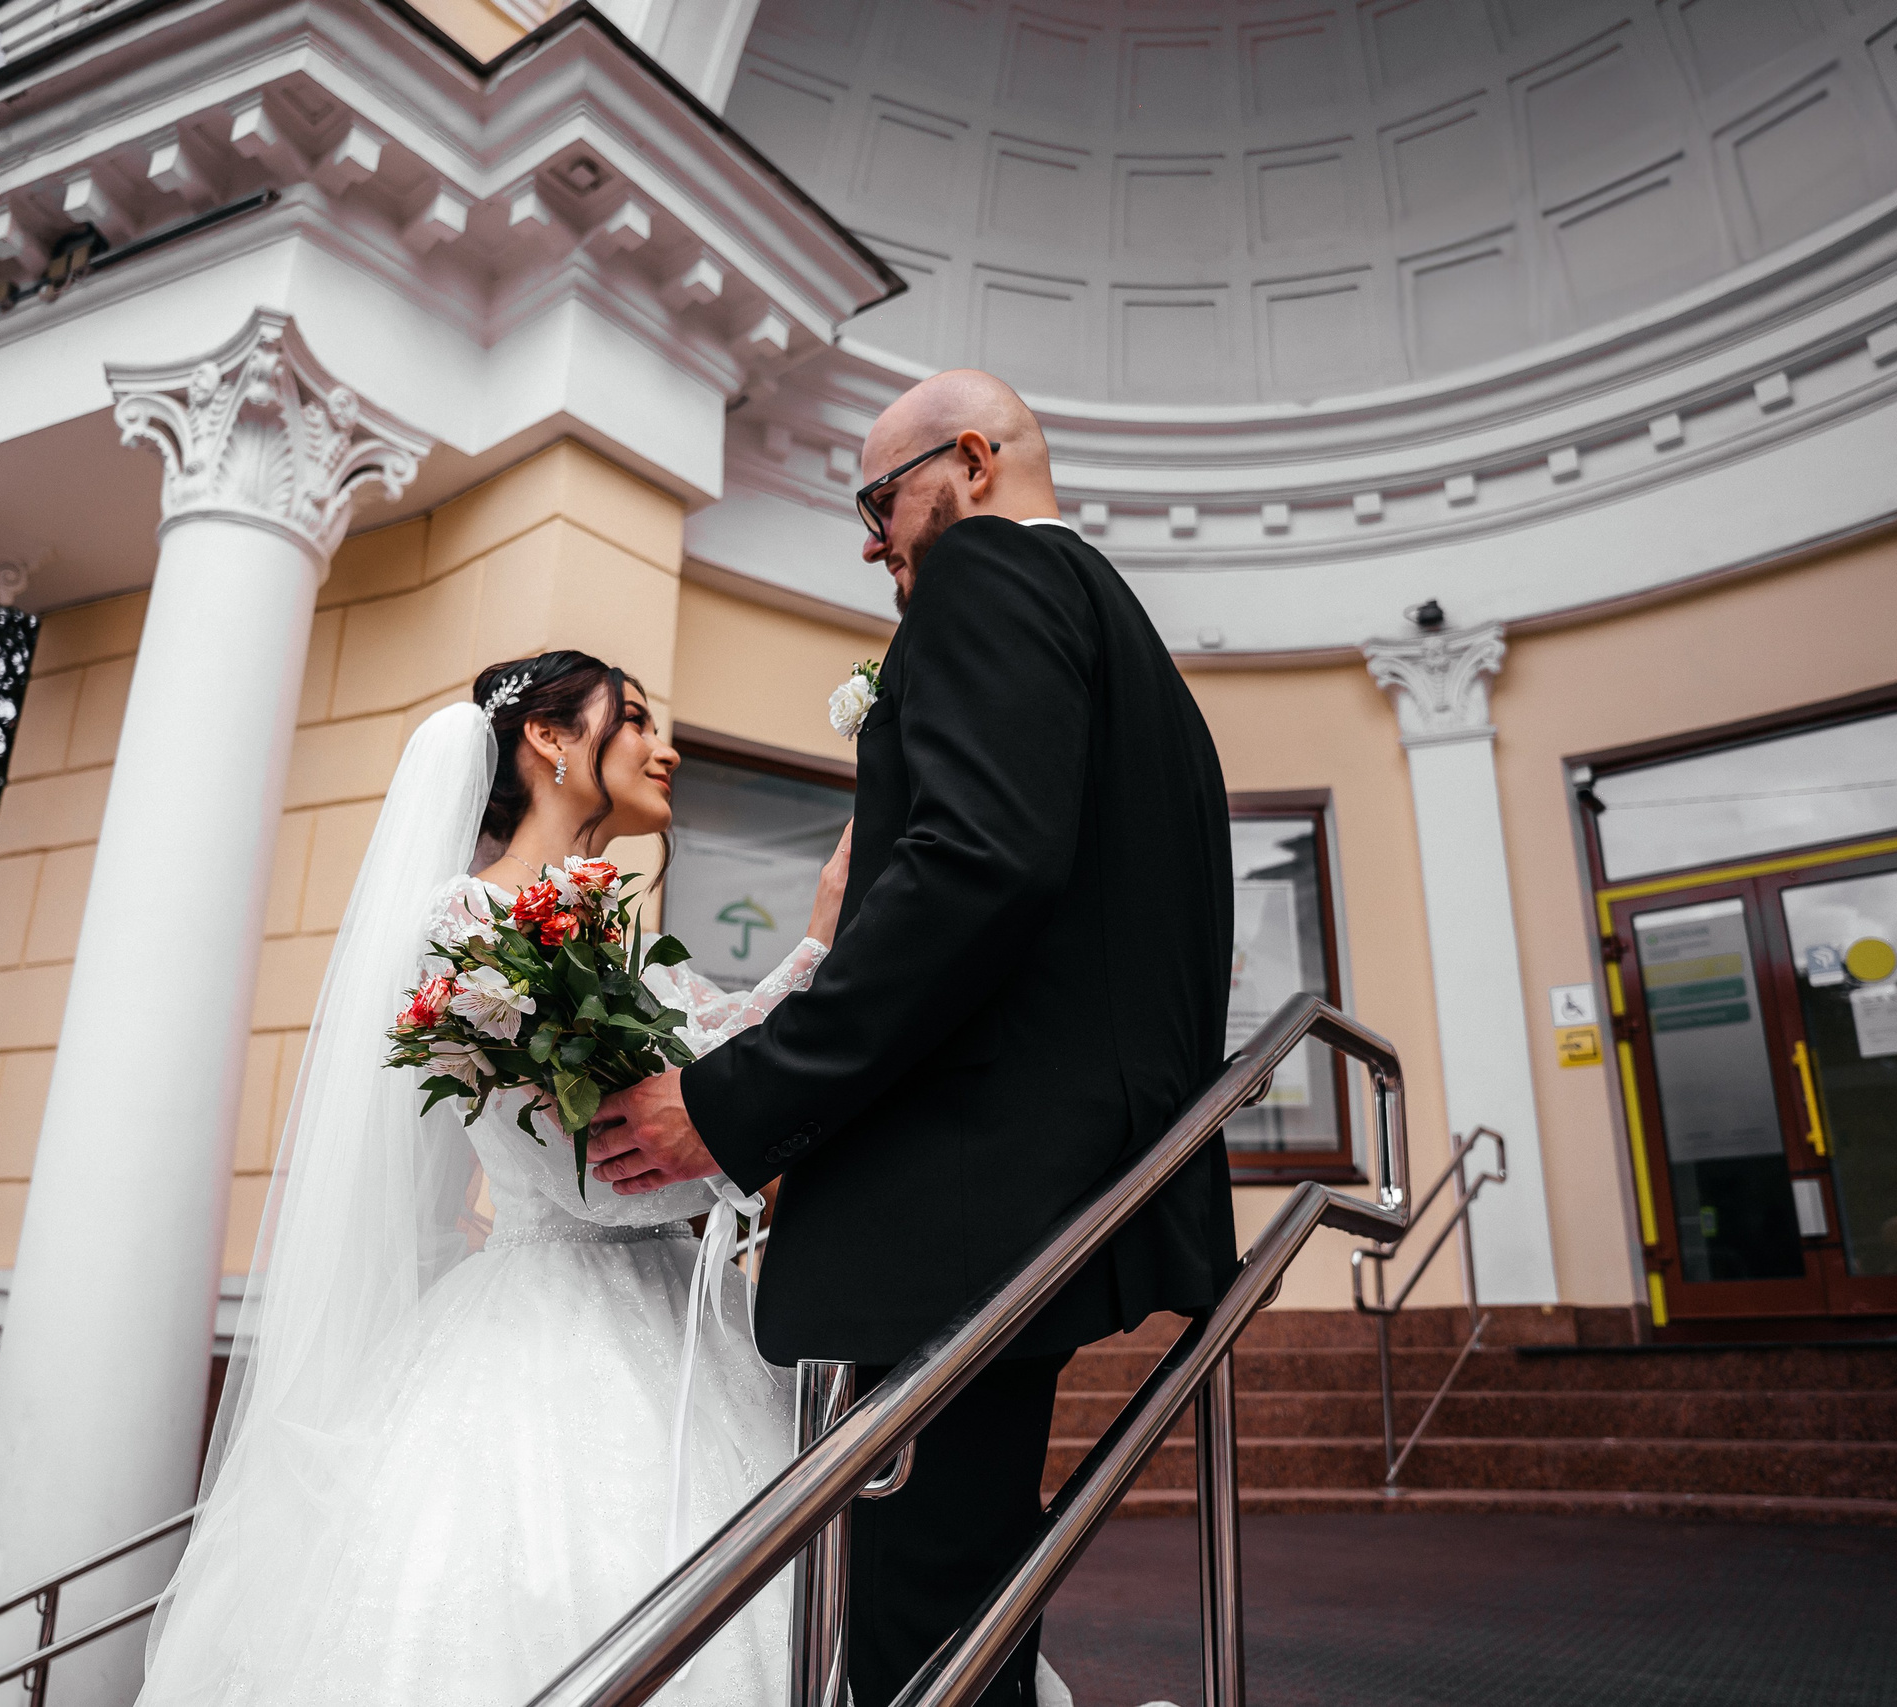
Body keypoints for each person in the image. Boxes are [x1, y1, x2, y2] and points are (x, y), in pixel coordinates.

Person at [590, 368, 1238, 1707]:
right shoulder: (1132, 645)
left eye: (881, 498)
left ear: (973, 461)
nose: (872, 538)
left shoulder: (987, 575)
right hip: (1063, 1182)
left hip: (969, 1197)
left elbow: (971, 871)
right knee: (962, 1608)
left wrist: (731, 1101)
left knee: (917, 1622)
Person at [136, 650, 846, 1707]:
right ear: (551, 741)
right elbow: (597, 1182)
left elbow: (723, 1061)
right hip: (551, 1327)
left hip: (690, 1329)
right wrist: (815, 964)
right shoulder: (464, 930)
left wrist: (823, 940)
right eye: (637, 719)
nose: (670, 747)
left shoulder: (621, 938)